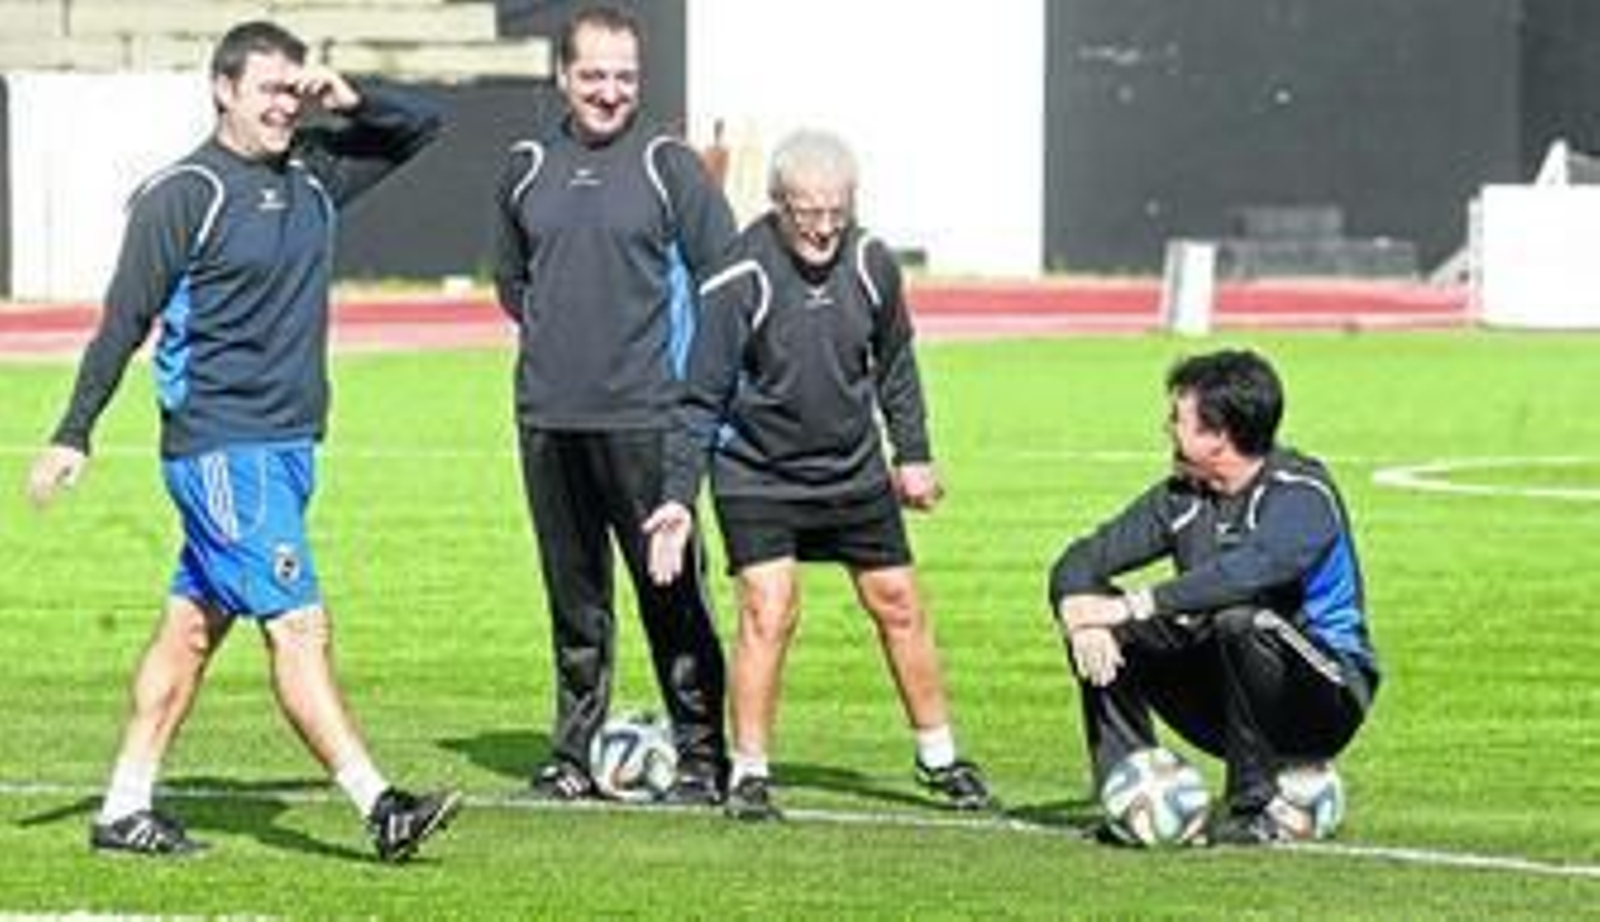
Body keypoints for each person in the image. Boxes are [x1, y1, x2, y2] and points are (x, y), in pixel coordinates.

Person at [25, 21, 457, 861]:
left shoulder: (314, 175)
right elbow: (123, 322)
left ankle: (122, 807)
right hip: (224, 451)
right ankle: (381, 806)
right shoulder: (184, 192)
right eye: (268, 89)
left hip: (287, 448)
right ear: (222, 89)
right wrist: (73, 432)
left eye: (292, 90)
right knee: (300, 626)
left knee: (190, 628)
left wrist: (351, 96)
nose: (284, 107)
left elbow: (422, 129)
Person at [644, 128, 996, 821]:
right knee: (769, 611)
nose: (824, 228)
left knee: (899, 602)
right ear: (778, 203)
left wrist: (913, 454)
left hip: (852, 472)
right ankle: (748, 773)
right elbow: (697, 400)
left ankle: (941, 758)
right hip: (758, 475)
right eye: (808, 212)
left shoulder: (871, 262)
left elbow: (895, 362)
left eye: (837, 210)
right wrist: (678, 500)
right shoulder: (737, 278)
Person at [491, 4, 732, 803]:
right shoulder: (526, 164)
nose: (609, 91)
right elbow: (512, 284)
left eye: (625, 76)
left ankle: (702, 755)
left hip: (649, 422)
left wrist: (691, 394)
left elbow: (727, 286)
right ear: (564, 76)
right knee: (575, 602)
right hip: (548, 421)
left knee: (673, 594)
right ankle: (572, 753)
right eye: (593, 75)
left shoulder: (671, 166)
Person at [1047, 348, 1380, 845]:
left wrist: (1135, 603)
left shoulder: (1303, 492)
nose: (1167, 429)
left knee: (1242, 620)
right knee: (1104, 622)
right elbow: (1080, 560)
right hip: (1228, 703)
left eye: (1177, 418)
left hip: (1324, 698)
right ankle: (1131, 793)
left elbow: (1251, 570)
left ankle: (1254, 806)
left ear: (1218, 434)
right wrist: (1080, 611)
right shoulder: (1182, 498)